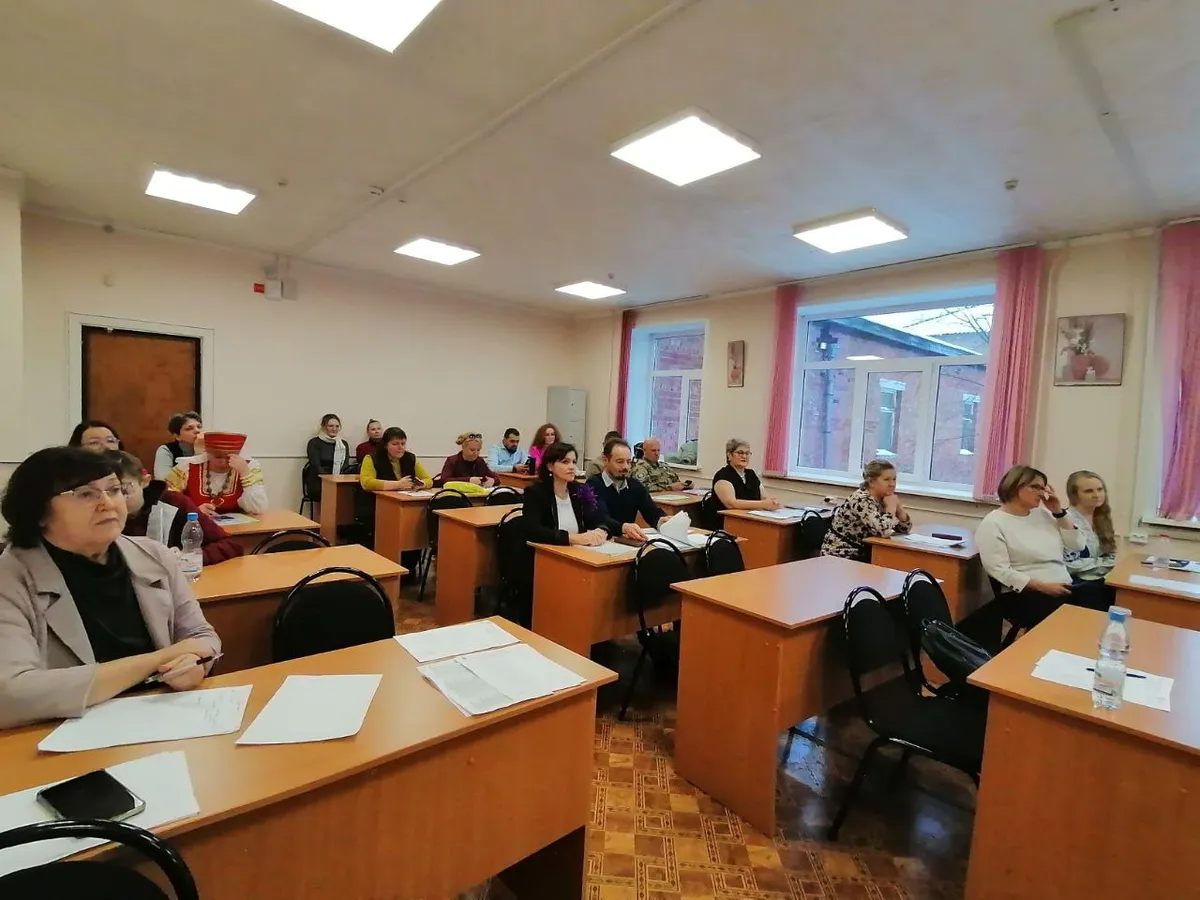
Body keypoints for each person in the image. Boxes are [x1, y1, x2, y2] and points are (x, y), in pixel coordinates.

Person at [0, 447, 221, 728]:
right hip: (62, 733)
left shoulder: (154, 554)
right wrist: (160, 659)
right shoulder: (11, 578)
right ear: (38, 511)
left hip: (162, 719)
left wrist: (195, 662)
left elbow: (200, 636)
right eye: (85, 494)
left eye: (114, 490)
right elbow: (9, 695)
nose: (107, 503)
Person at [976, 464, 1111, 629]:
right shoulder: (994, 523)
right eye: (1035, 487)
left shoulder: (1044, 515)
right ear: (1014, 486)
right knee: (1074, 616)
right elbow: (999, 570)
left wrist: (1058, 511)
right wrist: (1044, 587)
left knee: (1105, 593)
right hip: (1024, 593)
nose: (1041, 493)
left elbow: (1077, 545)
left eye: (1043, 488)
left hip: (1061, 585)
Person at [110, 451, 242, 566]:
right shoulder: (102, 512)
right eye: (105, 492)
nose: (115, 500)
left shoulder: (173, 503)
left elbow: (230, 545)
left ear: (144, 481)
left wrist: (187, 558)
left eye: (123, 489)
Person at [522, 442, 612, 546]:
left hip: (578, 551)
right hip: (549, 551)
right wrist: (572, 538)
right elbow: (533, 531)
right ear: (550, 466)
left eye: (574, 462)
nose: (572, 467)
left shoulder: (579, 491)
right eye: (565, 462)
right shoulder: (535, 492)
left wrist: (602, 530)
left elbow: (596, 519)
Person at [820, 459, 913, 561]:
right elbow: (882, 531)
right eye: (887, 480)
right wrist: (891, 509)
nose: (892, 484)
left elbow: (904, 529)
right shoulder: (861, 499)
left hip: (863, 552)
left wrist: (899, 509)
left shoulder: (884, 498)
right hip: (841, 554)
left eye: (894, 479)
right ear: (871, 482)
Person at [165, 431, 268, 516]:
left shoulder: (249, 467)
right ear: (207, 453)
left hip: (238, 529)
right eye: (218, 457)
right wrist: (193, 511)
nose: (223, 462)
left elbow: (257, 509)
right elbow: (165, 503)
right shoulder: (186, 468)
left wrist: (245, 474)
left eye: (229, 457)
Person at [587, 438, 662, 542]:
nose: (625, 467)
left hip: (627, 542)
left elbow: (651, 511)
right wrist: (623, 527)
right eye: (620, 462)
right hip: (600, 542)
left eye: (628, 462)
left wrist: (661, 520)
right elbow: (600, 518)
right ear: (605, 460)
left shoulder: (635, 486)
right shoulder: (593, 485)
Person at [1064, 470, 1118, 581]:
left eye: (1100, 489)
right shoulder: (1065, 520)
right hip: (1075, 581)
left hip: (1101, 578)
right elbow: (1069, 564)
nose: (1097, 495)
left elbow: (1111, 555)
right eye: (1088, 491)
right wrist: (1103, 564)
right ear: (1074, 495)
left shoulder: (1102, 518)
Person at [711, 439, 782, 512]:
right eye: (740, 453)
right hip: (725, 517)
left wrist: (772, 503)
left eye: (747, 453)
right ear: (729, 455)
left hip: (751, 516)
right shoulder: (723, 475)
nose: (744, 456)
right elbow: (731, 504)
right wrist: (763, 504)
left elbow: (764, 498)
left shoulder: (751, 474)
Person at [359, 427, 432, 492]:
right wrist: (397, 484)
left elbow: (428, 480)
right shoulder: (372, 458)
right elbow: (366, 483)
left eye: (403, 444)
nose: (400, 447)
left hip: (405, 498)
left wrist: (422, 484)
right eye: (395, 444)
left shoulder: (411, 458)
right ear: (385, 445)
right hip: (377, 500)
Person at [306, 413, 354, 501]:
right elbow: (315, 465)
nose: (334, 429)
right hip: (318, 481)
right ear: (324, 427)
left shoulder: (343, 444)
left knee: (351, 493)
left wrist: (337, 480)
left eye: (337, 426)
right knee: (330, 493)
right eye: (330, 426)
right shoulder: (314, 442)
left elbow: (345, 465)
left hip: (338, 480)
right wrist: (329, 480)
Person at [153, 411, 203, 480]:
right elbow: (163, 480)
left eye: (199, 427)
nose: (197, 431)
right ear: (177, 436)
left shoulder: (210, 450)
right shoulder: (166, 450)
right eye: (189, 428)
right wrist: (198, 455)